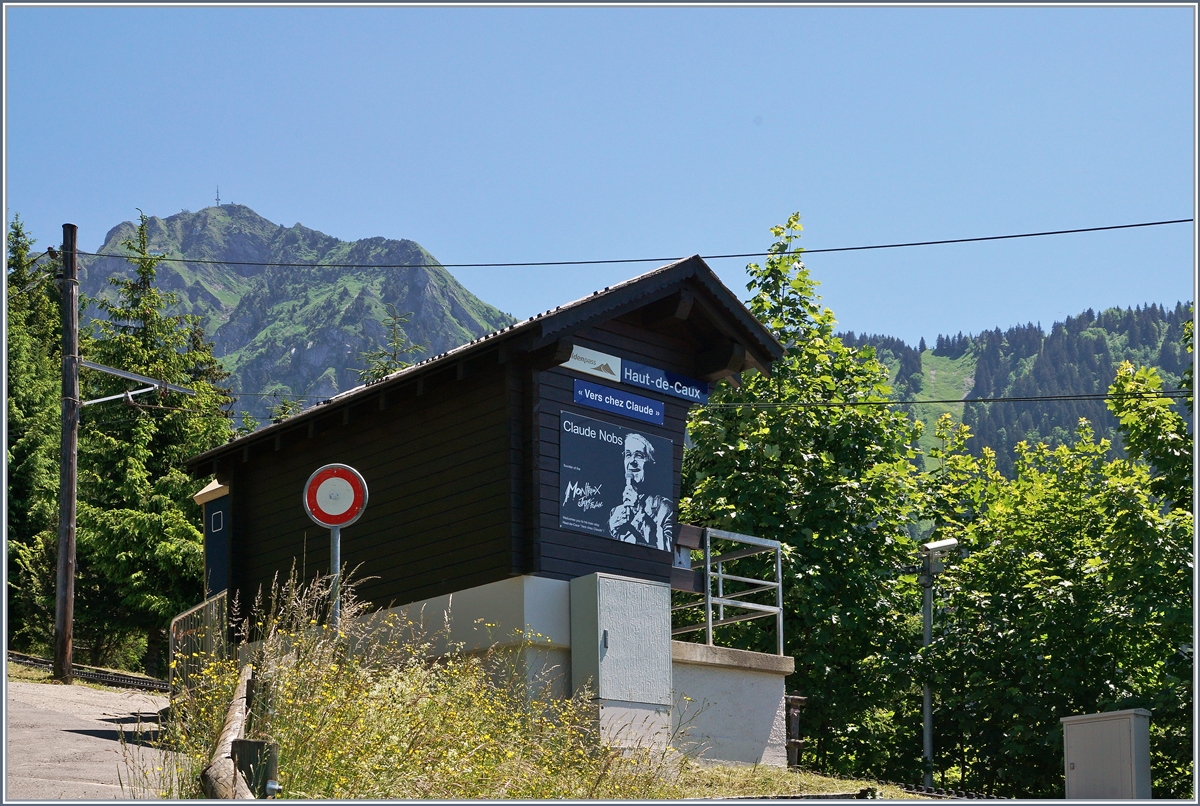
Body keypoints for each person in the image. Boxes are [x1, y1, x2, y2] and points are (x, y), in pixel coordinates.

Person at [607, 433, 674, 551]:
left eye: (639, 455)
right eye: (628, 455)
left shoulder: (664, 507)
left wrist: (639, 511)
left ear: (650, 463)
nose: (632, 461)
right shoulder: (615, 512)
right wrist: (612, 530)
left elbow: (666, 548)